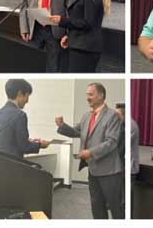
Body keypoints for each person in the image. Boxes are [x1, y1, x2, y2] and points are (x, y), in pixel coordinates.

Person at [55, 83, 124, 219]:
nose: (87, 98)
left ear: (101, 96)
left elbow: (111, 142)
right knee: (96, 206)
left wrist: (90, 152)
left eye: (90, 94)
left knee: (116, 208)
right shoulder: (87, 115)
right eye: (86, 94)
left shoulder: (112, 116)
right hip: (93, 169)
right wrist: (62, 126)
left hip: (109, 172)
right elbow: (76, 132)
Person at [49, 0, 110, 72]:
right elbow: (83, 21)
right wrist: (70, 36)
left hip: (85, 49)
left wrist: (62, 20)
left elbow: (87, 23)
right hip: (82, 46)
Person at [0, 79, 50, 158]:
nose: (27, 101)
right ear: (20, 93)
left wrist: (29, 141)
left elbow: (6, 140)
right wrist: (40, 145)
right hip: (14, 164)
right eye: (27, 96)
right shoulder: (20, 115)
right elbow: (25, 147)